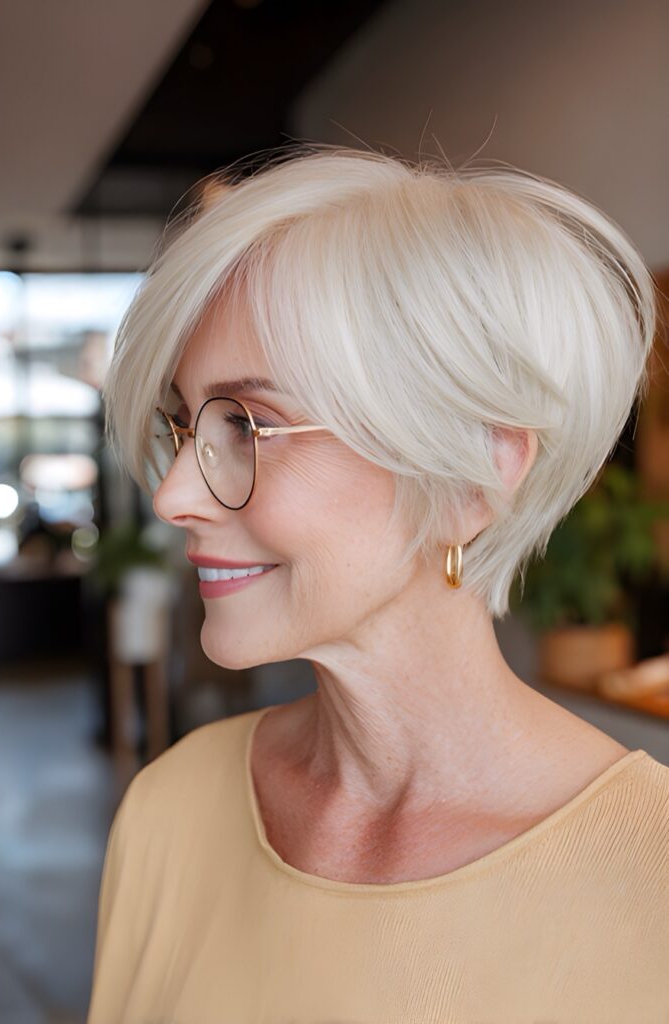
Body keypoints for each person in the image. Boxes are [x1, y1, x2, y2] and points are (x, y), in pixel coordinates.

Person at [86, 144, 668, 1022]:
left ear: (473, 475)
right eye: (185, 423)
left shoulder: (649, 876)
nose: (173, 496)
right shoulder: (171, 808)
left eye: (249, 424)